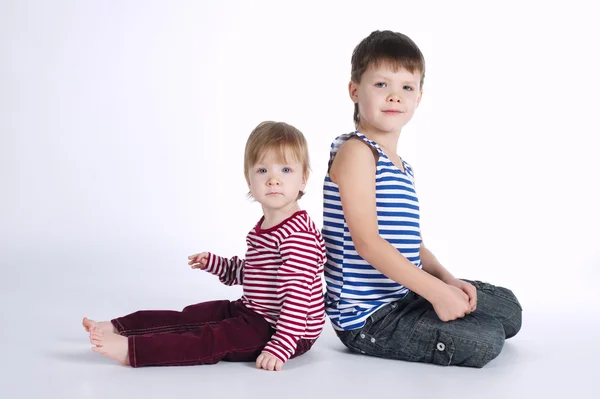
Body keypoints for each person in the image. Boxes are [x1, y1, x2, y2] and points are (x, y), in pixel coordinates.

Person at [322, 30, 522, 368]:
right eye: (381, 85)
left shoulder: (401, 166)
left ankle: (438, 299)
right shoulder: (357, 152)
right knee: (489, 340)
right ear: (355, 91)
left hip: (404, 292)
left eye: (406, 88)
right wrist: (435, 294)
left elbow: (412, 245)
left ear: (419, 98)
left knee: (509, 310)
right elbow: (367, 244)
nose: (395, 97)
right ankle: (426, 311)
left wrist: (446, 280)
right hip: (370, 318)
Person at [83, 121, 327, 371]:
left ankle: (133, 350)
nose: (274, 180)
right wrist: (218, 265)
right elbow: (258, 274)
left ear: (303, 179)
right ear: (249, 180)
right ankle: (119, 327)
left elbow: (298, 299)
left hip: (284, 330)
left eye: (286, 170)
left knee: (211, 339)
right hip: (253, 311)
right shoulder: (265, 226)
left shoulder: (298, 237)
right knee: (193, 316)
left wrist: (280, 346)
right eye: (263, 170)